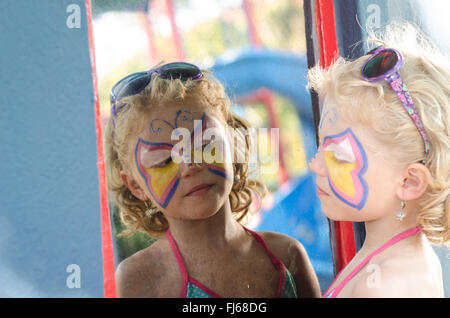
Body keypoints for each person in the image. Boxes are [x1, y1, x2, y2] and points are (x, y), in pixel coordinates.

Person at [104, 62, 320, 298]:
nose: (191, 166)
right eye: (165, 160)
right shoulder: (139, 280)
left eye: (205, 144)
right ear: (135, 186)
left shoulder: (287, 256)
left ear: (232, 143)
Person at [308, 23, 449, 298]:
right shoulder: (387, 259)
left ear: (409, 182)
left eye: (337, 155)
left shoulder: (388, 283)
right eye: (321, 146)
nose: (315, 165)